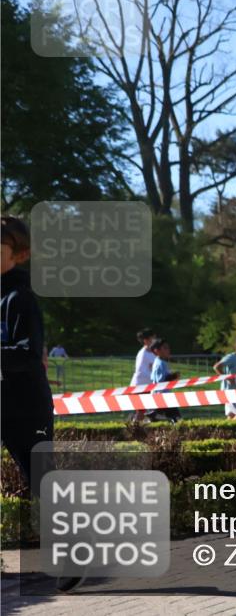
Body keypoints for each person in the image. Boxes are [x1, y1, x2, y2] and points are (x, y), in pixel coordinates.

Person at [1, 217, 80, 592]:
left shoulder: (21, 298)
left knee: (42, 482)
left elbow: (29, 354)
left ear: (19, 254)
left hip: (24, 404)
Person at [148, 339, 182, 423]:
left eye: (168, 348)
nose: (168, 350)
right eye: (165, 348)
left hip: (162, 396)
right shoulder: (160, 363)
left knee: (173, 418)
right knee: (177, 418)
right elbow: (160, 383)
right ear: (157, 351)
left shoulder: (161, 362)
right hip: (162, 396)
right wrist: (173, 376)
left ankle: (155, 415)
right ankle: (154, 415)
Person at [130, 328, 158, 422]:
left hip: (149, 387)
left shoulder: (153, 353)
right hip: (140, 387)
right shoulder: (143, 354)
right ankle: (134, 429)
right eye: (153, 338)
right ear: (146, 340)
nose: (155, 340)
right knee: (141, 412)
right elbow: (141, 372)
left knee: (148, 411)